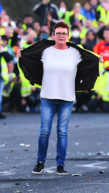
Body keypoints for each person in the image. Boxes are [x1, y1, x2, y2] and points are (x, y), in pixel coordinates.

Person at [17, 21, 100, 176]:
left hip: (67, 98)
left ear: (68, 36)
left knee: (62, 132)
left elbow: (90, 60)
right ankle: (40, 163)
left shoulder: (75, 53)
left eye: (64, 33)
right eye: (58, 33)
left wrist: (98, 61)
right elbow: (31, 57)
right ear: (53, 35)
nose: (61, 36)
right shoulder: (45, 51)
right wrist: (22, 56)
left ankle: (60, 164)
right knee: (44, 132)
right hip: (47, 96)